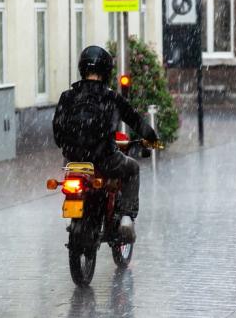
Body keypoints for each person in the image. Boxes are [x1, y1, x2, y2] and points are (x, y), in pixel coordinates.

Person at [52, 45, 158, 243]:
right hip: (105, 160)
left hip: (74, 163)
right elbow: (135, 120)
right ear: (106, 72)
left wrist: (71, 148)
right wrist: (151, 137)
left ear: (82, 69)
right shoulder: (111, 98)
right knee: (132, 168)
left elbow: (57, 132)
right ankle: (126, 217)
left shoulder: (67, 97)